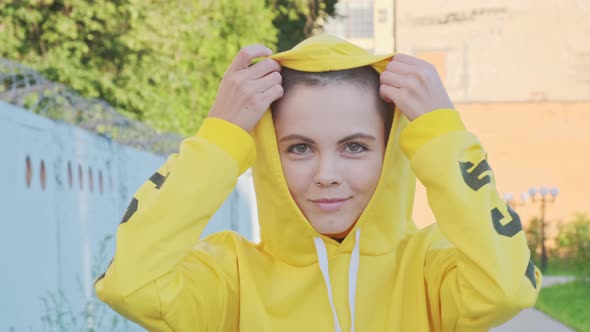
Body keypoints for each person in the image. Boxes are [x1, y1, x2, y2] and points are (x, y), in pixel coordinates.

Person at [95, 34, 542, 331]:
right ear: (270, 154)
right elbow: (129, 285)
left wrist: (442, 136)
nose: (327, 176)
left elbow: (508, 289)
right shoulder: (229, 276)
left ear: (391, 153)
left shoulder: (428, 267)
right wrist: (220, 137)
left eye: (355, 147)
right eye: (299, 148)